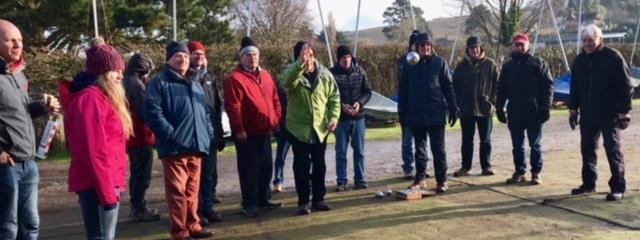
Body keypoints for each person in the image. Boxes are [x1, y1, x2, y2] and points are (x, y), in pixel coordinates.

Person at [60, 37, 130, 239]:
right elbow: (94, 151)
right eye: (116, 70)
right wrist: (108, 194)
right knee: (101, 236)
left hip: (106, 181)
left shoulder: (102, 98)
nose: (120, 74)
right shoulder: (90, 100)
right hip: (98, 184)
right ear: (103, 72)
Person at [144, 41, 214, 239]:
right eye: (177, 56)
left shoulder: (195, 83)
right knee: (177, 192)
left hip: (196, 146)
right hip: (174, 148)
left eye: (184, 55)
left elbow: (205, 112)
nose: (182, 59)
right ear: (169, 59)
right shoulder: (159, 83)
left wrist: (207, 133)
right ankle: (180, 231)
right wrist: (170, 133)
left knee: (192, 190)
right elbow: (152, 112)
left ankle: (194, 225)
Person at [0, 19, 60, 240]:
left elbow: (19, 113)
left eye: (20, 41)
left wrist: (41, 107)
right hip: (7, 166)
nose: (18, 45)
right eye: (10, 40)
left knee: (31, 224)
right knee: (7, 227)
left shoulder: (18, 73)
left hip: (29, 162)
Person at [568, 24, 633, 201]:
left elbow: (625, 86)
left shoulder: (613, 57)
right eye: (585, 40)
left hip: (609, 114)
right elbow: (574, 88)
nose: (588, 44)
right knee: (587, 150)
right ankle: (589, 184)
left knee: (613, 150)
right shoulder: (579, 60)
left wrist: (624, 112)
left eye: (591, 40)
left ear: (599, 39)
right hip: (588, 114)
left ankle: (618, 187)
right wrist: (573, 110)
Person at [280, 41, 341, 215]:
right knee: (301, 166)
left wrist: (334, 117)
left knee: (320, 165)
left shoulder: (325, 74)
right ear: (297, 57)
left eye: (311, 55)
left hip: (319, 128)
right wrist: (299, 65)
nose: (309, 59)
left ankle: (319, 199)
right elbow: (286, 82)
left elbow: (334, 98)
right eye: (304, 56)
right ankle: (303, 201)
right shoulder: (292, 73)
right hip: (298, 129)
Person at [224, 36, 282, 217]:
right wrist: (239, 128)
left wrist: (276, 118)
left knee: (266, 167)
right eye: (248, 55)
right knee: (249, 169)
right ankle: (249, 202)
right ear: (242, 58)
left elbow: (275, 99)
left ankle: (263, 198)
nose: (252, 58)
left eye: (255, 54)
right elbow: (233, 106)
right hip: (247, 132)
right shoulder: (235, 78)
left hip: (265, 129)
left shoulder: (266, 76)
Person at [398, 33, 458, 193]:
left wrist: (453, 108)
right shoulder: (409, 65)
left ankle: (442, 180)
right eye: (422, 45)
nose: (425, 47)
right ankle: (420, 179)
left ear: (431, 46)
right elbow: (403, 90)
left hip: (436, 113)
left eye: (428, 45)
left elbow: (448, 87)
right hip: (416, 114)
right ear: (417, 47)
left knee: (439, 150)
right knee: (419, 149)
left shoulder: (440, 63)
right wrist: (401, 112)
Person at [496, 33, 554, 185]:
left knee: (535, 144)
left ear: (528, 45)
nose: (520, 47)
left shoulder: (538, 63)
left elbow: (548, 86)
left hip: (534, 112)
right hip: (515, 112)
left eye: (522, 44)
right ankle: (520, 171)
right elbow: (501, 88)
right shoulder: (508, 66)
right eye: (517, 44)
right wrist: (499, 108)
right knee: (517, 146)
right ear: (513, 46)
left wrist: (546, 107)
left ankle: (536, 173)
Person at [188, 40, 225, 224]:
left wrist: (220, 134)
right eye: (195, 53)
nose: (199, 56)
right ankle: (195, 211)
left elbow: (217, 106)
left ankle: (207, 208)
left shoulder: (210, 78)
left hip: (210, 135)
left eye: (201, 53)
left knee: (209, 174)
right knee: (194, 177)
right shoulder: (186, 77)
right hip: (193, 136)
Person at [452, 36, 499, 177]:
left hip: (485, 109)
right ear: (468, 49)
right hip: (466, 109)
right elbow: (455, 87)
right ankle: (465, 167)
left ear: (481, 48)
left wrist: (493, 102)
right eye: (472, 47)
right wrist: (459, 104)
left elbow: (498, 85)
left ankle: (486, 166)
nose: (475, 50)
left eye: (477, 47)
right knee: (467, 140)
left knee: (485, 140)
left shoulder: (491, 65)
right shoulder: (461, 67)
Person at [123, 52, 161, 222]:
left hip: (132, 137)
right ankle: (138, 208)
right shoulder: (136, 85)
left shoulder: (126, 81)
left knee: (137, 172)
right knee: (141, 174)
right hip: (141, 136)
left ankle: (137, 206)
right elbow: (144, 111)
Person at [330, 45, 372, 191]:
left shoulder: (360, 71)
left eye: (348, 57)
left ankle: (359, 179)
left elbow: (367, 92)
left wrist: (359, 103)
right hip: (341, 119)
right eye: (343, 58)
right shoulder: (332, 74)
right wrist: (341, 106)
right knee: (341, 151)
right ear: (339, 59)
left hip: (358, 118)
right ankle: (341, 181)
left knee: (359, 151)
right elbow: (329, 96)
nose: (346, 60)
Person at [396, 30, 431, 180]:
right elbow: (403, 84)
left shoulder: (428, 61)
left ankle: (422, 167)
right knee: (407, 140)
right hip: (409, 108)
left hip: (423, 109)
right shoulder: (404, 62)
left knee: (423, 142)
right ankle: (408, 168)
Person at [272, 82, 291, 193]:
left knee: (304, 157)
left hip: (298, 127)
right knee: (280, 157)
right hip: (284, 127)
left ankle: (309, 178)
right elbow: (275, 106)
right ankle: (278, 181)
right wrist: (277, 125)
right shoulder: (280, 87)